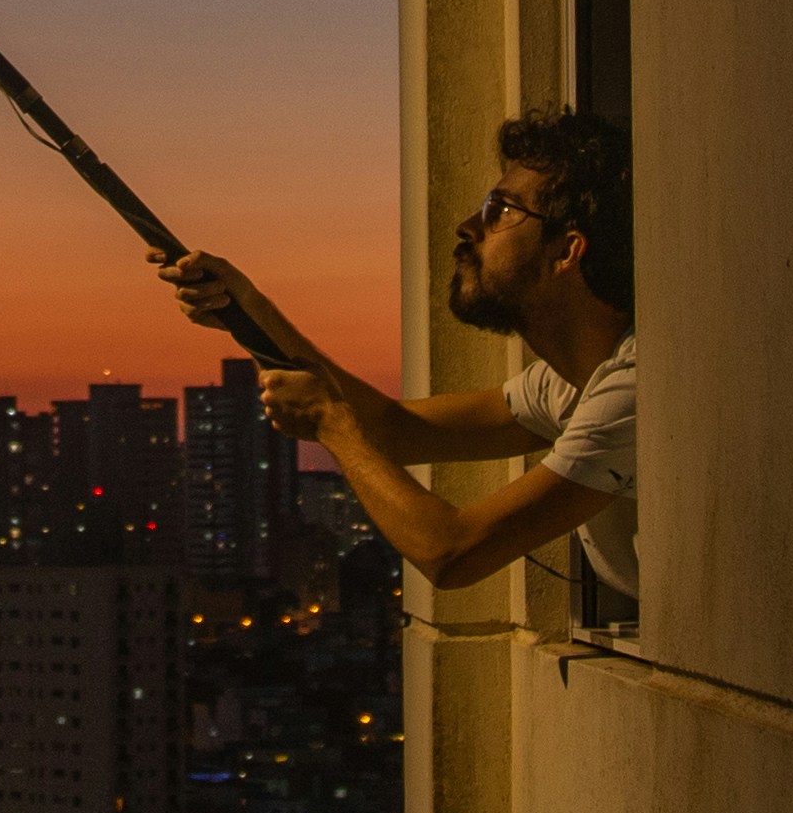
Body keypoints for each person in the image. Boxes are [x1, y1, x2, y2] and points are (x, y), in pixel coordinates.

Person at [152, 107, 636, 599]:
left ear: (567, 251)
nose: (468, 226)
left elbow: (452, 552)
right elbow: (392, 430)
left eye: (501, 211)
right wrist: (247, 308)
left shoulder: (634, 390)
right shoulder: (565, 384)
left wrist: (329, 421)